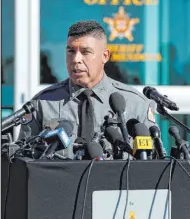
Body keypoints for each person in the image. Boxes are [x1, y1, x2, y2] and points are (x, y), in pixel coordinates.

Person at [18, 20, 158, 159]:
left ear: (105, 56)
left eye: (85, 52)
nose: (76, 59)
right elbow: (24, 160)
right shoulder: (43, 103)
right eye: (71, 51)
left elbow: (151, 167)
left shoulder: (136, 104)